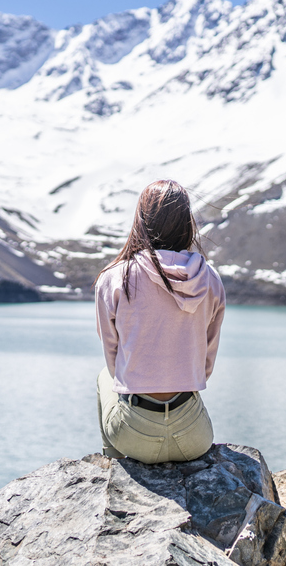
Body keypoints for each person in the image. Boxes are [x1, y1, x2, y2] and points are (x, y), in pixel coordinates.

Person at [95, 179, 226, 463]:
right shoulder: (210, 280)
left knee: (104, 378)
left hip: (134, 434)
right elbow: (205, 367)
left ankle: (114, 464)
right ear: (187, 224)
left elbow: (114, 361)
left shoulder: (116, 278)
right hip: (194, 436)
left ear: (141, 222)